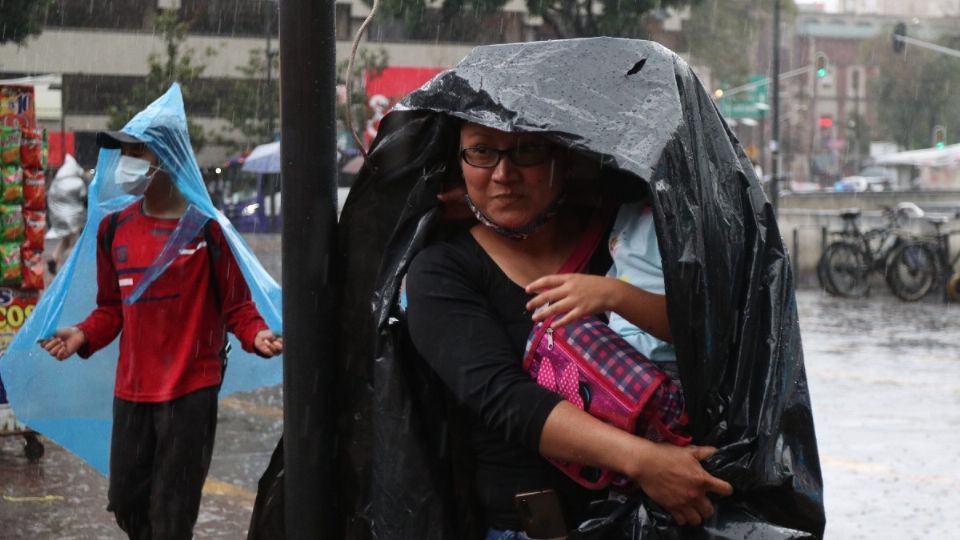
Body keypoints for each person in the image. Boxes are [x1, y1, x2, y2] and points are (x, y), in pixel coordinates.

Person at [404, 122, 733, 538]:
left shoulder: (624, 237)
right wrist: (645, 462)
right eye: (482, 152)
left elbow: (708, 334)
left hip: (664, 520)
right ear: (460, 163)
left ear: (563, 158)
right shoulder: (441, 272)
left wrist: (615, 295)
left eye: (527, 152)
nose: (504, 174)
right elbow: (504, 399)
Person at [39, 129, 283, 539]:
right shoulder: (113, 230)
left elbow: (237, 306)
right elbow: (111, 309)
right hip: (132, 392)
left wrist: (256, 334)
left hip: (191, 393)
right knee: (125, 501)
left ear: (167, 158)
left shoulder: (208, 231)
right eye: (125, 151)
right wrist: (83, 334)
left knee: (173, 511)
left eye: (138, 151)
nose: (127, 160)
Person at [46, 153, 88, 275]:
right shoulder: (77, 182)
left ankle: (54, 259)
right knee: (73, 242)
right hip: (73, 216)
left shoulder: (57, 182)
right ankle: (70, 268)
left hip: (58, 215)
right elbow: (84, 199)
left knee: (66, 239)